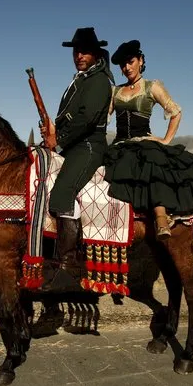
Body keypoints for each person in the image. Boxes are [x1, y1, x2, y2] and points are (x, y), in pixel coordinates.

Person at [104, 40, 193, 240]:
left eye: (131, 62)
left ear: (141, 61)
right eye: (123, 65)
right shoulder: (115, 91)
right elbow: (102, 119)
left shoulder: (152, 87)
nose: (127, 68)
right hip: (121, 145)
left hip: (144, 140)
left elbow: (175, 112)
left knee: (153, 163)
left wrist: (166, 140)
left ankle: (161, 216)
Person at [43, 27, 115, 289]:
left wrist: (58, 140)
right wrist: (52, 132)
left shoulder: (99, 81)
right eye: (76, 51)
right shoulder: (81, 79)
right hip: (73, 144)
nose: (79, 55)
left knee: (62, 193)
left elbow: (86, 120)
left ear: (95, 53)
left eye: (84, 51)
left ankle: (69, 268)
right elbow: (69, 118)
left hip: (88, 147)